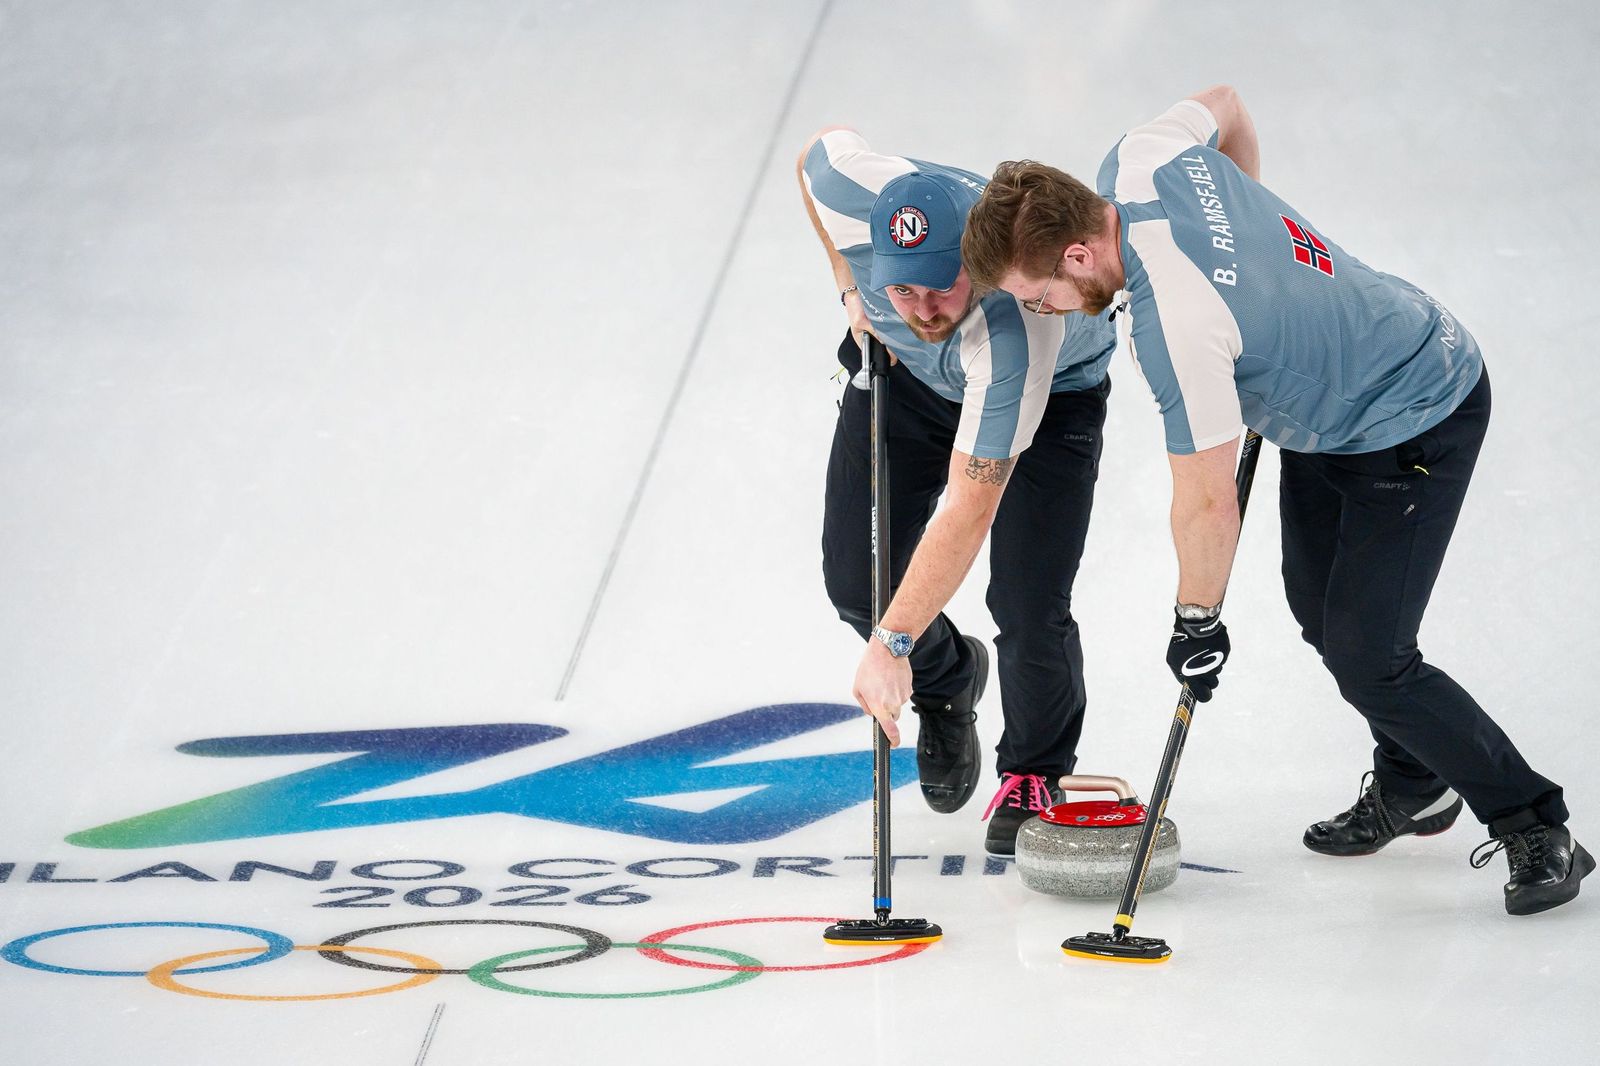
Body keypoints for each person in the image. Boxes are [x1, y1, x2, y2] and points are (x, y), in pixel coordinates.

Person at [959, 85, 1590, 914]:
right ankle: (1413, 781)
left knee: (1372, 652)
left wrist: (1196, 622)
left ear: (1078, 254)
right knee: (1318, 609)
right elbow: (1225, 103)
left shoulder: (1178, 324)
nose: (1039, 310)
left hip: (1416, 409)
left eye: (1033, 293)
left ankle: (1533, 822)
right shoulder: (1140, 160)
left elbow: (1206, 502)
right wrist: (1247, 239)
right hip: (1329, 412)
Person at [798, 127, 1117, 854]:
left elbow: (968, 508)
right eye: (899, 288)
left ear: (975, 265)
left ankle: (1035, 769)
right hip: (909, 383)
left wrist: (893, 645)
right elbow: (809, 158)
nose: (922, 310)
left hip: (1053, 397)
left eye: (941, 287)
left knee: (1029, 602)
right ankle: (950, 678)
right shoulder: (852, 190)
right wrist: (852, 290)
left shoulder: (1014, 334)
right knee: (859, 583)